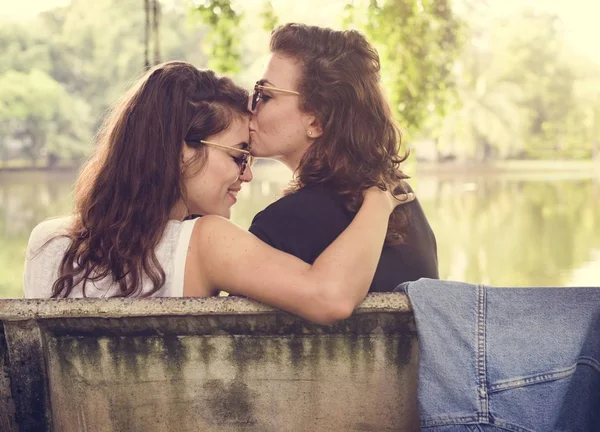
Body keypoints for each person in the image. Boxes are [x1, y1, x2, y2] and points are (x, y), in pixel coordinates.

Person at [23, 61, 414, 325]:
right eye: (238, 156)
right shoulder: (206, 242)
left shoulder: (47, 241)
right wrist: (380, 197)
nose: (246, 175)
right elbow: (331, 297)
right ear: (181, 152)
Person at [248, 23, 439, 292]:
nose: (250, 107)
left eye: (264, 95)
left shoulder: (279, 225)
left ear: (316, 121)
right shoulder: (402, 203)